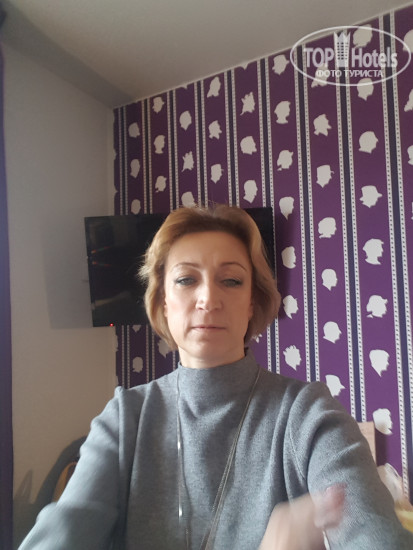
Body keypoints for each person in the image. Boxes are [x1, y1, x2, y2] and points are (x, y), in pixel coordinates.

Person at [19, 204, 413, 549]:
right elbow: (65, 529)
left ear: (251, 303)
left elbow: (372, 532)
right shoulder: (124, 419)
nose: (208, 298)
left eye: (231, 280)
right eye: (186, 279)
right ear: (163, 302)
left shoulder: (309, 414)